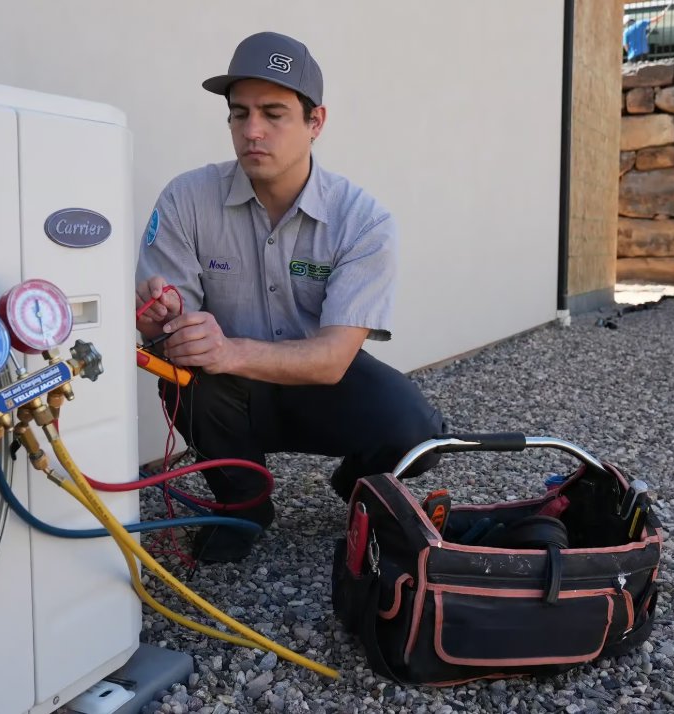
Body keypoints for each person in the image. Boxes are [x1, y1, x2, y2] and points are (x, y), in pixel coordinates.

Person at [135, 31, 444, 563]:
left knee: (418, 430)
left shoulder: (363, 221)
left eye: (274, 113)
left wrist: (228, 350)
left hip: (318, 383)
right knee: (186, 382)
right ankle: (245, 509)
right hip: (227, 392)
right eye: (240, 114)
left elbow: (330, 361)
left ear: (315, 122)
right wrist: (162, 320)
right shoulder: (187, 199)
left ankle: (357, 483)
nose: (252, 131)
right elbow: (163, 329)